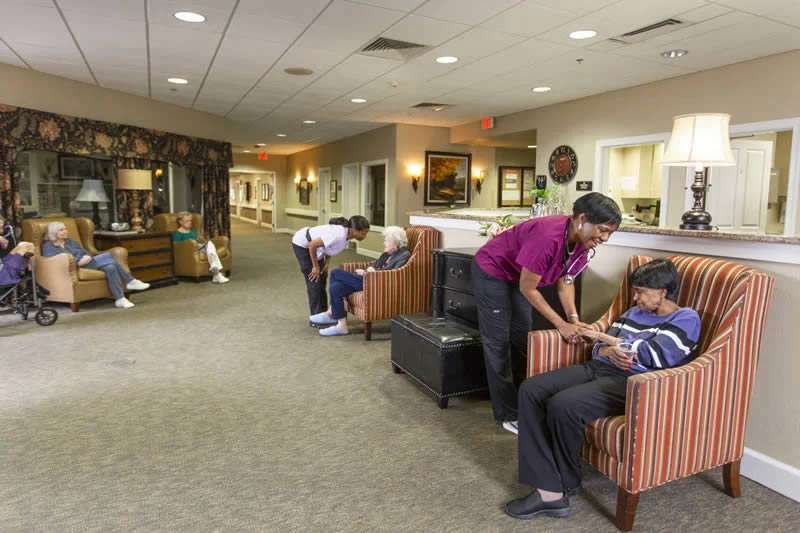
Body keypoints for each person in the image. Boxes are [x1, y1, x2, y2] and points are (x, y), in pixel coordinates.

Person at [505, 259, 701, 520]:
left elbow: (657, 355)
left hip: (635, 382)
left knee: (563, 404)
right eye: (635, 291)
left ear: (662, 292)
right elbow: (600, 350)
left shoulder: (686, 318)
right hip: (600, 367)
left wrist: (608, 341)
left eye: (641, 292)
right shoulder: (632, 313)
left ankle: (557, 490)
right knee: (531, 388)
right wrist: (610, 349)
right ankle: (549, 478)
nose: (635, 298)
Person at [472, 192, 622, 434]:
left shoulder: (583, 243)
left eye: (610, 233)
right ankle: (507, 414)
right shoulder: (548, 237)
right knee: (498, 342)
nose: (604, 238)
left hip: (519, 277)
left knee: (521, 337)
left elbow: (566, 281)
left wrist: (573, 319)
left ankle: (524, 401)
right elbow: (528, 288)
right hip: (493, 271)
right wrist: (561, 324)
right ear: (582, 219)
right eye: (602, 230)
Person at [311, 225, 411, 336]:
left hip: (377, 283)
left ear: (396, 243)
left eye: (387, 241)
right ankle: (341, 326)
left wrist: (368, 273)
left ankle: (331, 313)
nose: (384, 243)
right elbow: (375, 265)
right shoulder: (387, 253)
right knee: (337, 287)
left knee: (335, 272)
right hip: (369, 279)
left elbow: (393, 274)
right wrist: (368, 270)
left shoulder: (403, 255)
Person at [42, 221, 150, 309]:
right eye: (61, 230)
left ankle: (120, 299)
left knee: (111, 267)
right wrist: (77, 261)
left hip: (87, 263)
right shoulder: (48, 246)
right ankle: (130, 281)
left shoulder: (71, 242)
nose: (65, 231)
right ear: (54, 233)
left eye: (65, 229)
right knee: (107, 256)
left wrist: (86, 257)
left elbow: (84, 252)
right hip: (72, 268)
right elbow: (56, 262)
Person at [291, 215, 370, 316]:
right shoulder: (338, 235)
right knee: (314, 280)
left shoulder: (346, 237)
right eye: (363, 233)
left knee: (322, 277)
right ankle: (316, 317)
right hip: (302, 243)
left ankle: (323, 313)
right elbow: (312, 245)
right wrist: (315, 267)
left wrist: (326, 263)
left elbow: (330, 247)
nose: (365, 236)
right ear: (354, 230)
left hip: (316, 247)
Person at [171, 212, 229, 284]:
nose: (190, 222)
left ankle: (216, 273)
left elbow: (200, 241)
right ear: (180, 222)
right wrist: (192, 244)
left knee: (210, 244)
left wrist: (201, 241)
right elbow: (177, 247)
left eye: (190, 220)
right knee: (210, 248)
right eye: (187, 221)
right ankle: (216, 274)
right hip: (190, 253)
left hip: (200, 249)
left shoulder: (193, 232)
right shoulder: (177, 234)